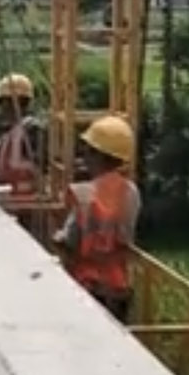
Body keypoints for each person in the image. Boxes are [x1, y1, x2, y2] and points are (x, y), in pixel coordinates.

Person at [53, 113, 141, 324]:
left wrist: (57, 237)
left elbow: (70, 241)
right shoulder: (131, 192)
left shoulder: (85, 194)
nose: (84, 157)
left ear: (99, 155)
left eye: (88, 152)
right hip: (118, 286)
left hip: (87, 286)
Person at [0, 73, 44, 195]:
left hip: (26, 193)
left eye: (9, 102)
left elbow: (41, 164)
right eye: (4, 103)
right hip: (4, 191)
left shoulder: (33, 129)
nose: (5, 108)